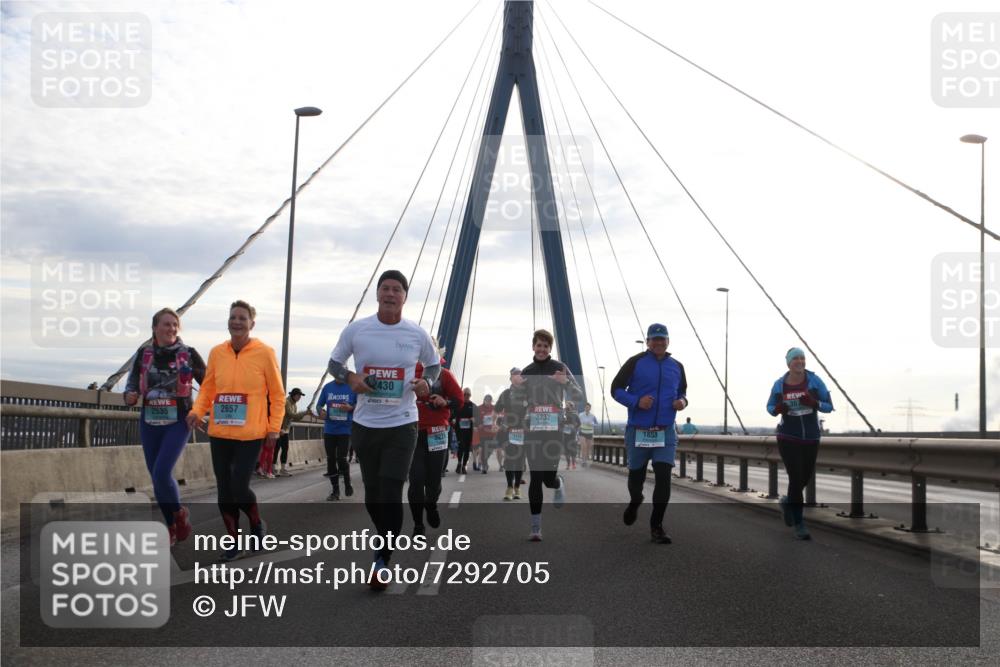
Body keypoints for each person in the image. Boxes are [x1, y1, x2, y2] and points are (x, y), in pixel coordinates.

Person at [327, 270, 439, 591]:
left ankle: (382, 560)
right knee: (373, 496)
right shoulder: (357, 330)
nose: (390, 294)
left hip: (403, 423)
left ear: (405, 297)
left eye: (397, 290)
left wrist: (425, 382)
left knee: (391, 491)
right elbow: (334, 364)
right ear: (377, 294)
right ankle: (384, 538)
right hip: (365, 425)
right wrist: (350, 379)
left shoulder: (416, 334)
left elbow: (433, 365)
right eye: (385, 289)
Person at [187, 300, 284, 561]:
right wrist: (197, 411)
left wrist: (274, 427)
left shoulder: (265, 352)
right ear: (228, 321)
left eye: (242, 318)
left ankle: (255, 524)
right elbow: (208, 388)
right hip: (220, 433)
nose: (237, 321)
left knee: (239, 486)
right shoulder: (217, 352)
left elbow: (277, 394)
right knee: (224, 490)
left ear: (252, 324)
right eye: (233, 317)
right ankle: (233, 541)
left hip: (250, 434)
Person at [125, 308, 206, 546]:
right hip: (149, 419)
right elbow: (131, 382)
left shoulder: (188, 354)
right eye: (166, 324)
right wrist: (129, 395)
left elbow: (209, 385)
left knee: (161, 472)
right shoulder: (143, 354)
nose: (171, 328)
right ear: (154, 327)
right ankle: (171, 524)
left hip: (178, 420)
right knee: (156, 477)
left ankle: (179, 512)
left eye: (174, 324)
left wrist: (198, 410)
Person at [611, 323, 688, 545]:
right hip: (639, 431)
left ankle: (657, 527)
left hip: (665, 432)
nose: (658, 342)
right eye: (654, 339)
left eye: (662, 339)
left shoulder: (677, 366)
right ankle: (636, 501)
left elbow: (683, 392)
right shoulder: (635, 362)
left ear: (668, 341)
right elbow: (615, 389)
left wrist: (681, 402)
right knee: (637, 478)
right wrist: (636, 401)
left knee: (664, 478)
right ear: (647, 342)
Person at [520, 329, 582, 541]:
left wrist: (565, 382)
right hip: (533, 431)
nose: (542, 349)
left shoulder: (560, 368)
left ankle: (557, 482)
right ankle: (535, 527)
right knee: (536, 477)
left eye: (546, 346)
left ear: (550, 349)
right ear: (533, 347)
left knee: (547, 478)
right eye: (539, 345)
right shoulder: (526, 371)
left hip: (554, 430)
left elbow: (578, 395)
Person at [766, 347, 834, 540]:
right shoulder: (780, 384)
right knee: (796, 479)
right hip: (788, 437)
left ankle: (788, 503)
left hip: (811, 437)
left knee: (804, 479)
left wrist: (814, 403)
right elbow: (770, 406)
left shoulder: (814, 381)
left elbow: (829, 406)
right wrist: (778, 409)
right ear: (788, 363)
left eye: (802, 358)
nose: (800, 361)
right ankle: (800, 523)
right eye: (796, 358)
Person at [409, 348, 464, 536]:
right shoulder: (407, 372)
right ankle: (418, 526)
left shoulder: (444, 374)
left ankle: (430, 505)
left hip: (438, 431)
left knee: (433, 481)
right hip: (412, 432)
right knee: (415, 481)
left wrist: (445, 402)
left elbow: (459, 400)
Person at [318, 377, 357, 500]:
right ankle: (335, 491)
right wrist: (321, 412)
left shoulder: (352, 387)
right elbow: (319, 405)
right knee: (330, 459)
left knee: (341, 458)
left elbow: (360, 405)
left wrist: (351, 408)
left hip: (345, 429)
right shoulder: (328, 387)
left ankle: (347, 482)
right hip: (330, 429)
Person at [495, 367, 527, 501]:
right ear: (510, 378)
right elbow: (496, 409)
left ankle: (517, 488)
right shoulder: (506, 394)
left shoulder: (528, 393)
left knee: (520, 460)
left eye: (519, 374)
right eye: (514, 375)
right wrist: (498, 421)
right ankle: (509, 487)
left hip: (524, 431)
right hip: (509, 431)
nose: (516, 376)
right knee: (509, 460)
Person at [270, 388, 307, 477]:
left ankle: (283, 468)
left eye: (300, 396)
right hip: (280, 428)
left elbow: (296, 418)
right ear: (294, 395)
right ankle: (273, 468)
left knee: (285, 449)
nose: (299, 398)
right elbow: (291, 414)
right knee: (276, 449)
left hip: (286, 430)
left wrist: (304, 414)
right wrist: (305, 412)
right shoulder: (286, 402)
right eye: (298, 395)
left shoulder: (294, 405)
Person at [478, 394, 500, 474]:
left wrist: (497, 426)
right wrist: (479, 424)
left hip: (492, 433)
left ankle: (485, 462)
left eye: (490, 401)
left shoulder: (494, 408)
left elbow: (498, 419)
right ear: (484, 400)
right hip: (483, 433)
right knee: (484, 450)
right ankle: (484, 466)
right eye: (487, 401)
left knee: (490, 449)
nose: (488, 402)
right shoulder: (479, 408)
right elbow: (477, 419)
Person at [454, 388, 475, 474]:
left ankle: (464, 466)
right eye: (465, 394)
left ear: (470, 396)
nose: (466, 396)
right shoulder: (458, 404)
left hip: (469, 431)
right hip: (459, 430)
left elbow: (478, 417)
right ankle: (459, 463)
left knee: (467, 449)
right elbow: (452, 414)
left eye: (468, 395)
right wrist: (453, 419)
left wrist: (474, 419)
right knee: (461, 446)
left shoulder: (473, 405)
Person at [577, 403, 599, 467]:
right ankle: (583, 461)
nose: (587, 408)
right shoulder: (580, 415)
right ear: (584, 408)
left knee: (588, 448)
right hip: (582, 432)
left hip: (589, 433)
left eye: (588, 407)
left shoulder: (592, 416)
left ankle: (585, 460)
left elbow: (597, 424)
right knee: (584, 447)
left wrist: (592, 424)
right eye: (586, 407)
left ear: (590, 408)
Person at [562, 400, 581, 470]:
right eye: (566, 405)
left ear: (571, 406)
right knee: (566, 449)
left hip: (573, 434)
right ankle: (568, 464)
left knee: (573, 449)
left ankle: (573, 463)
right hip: (565, 434)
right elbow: (561, 422)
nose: (566, 406)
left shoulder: (575, 414)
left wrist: (575, 428)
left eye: (567, 405)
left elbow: (579, 423)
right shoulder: (564, 413)